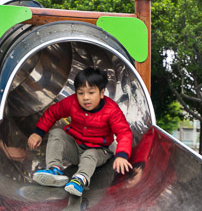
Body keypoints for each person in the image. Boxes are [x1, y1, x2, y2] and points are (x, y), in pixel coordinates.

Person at [27, 67, 133, 196]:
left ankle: (80, 179)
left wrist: (122, 155)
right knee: (57, 133)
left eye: (91, 92)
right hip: (75, 148)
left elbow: (124, 132)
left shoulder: (111, 110)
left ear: (101, 93)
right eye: (81, 93)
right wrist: (38, 132)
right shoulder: (72, 102)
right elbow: (53, 112)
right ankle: (54, 170)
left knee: (90, 155)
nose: (85, 98)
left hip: (99, 150)